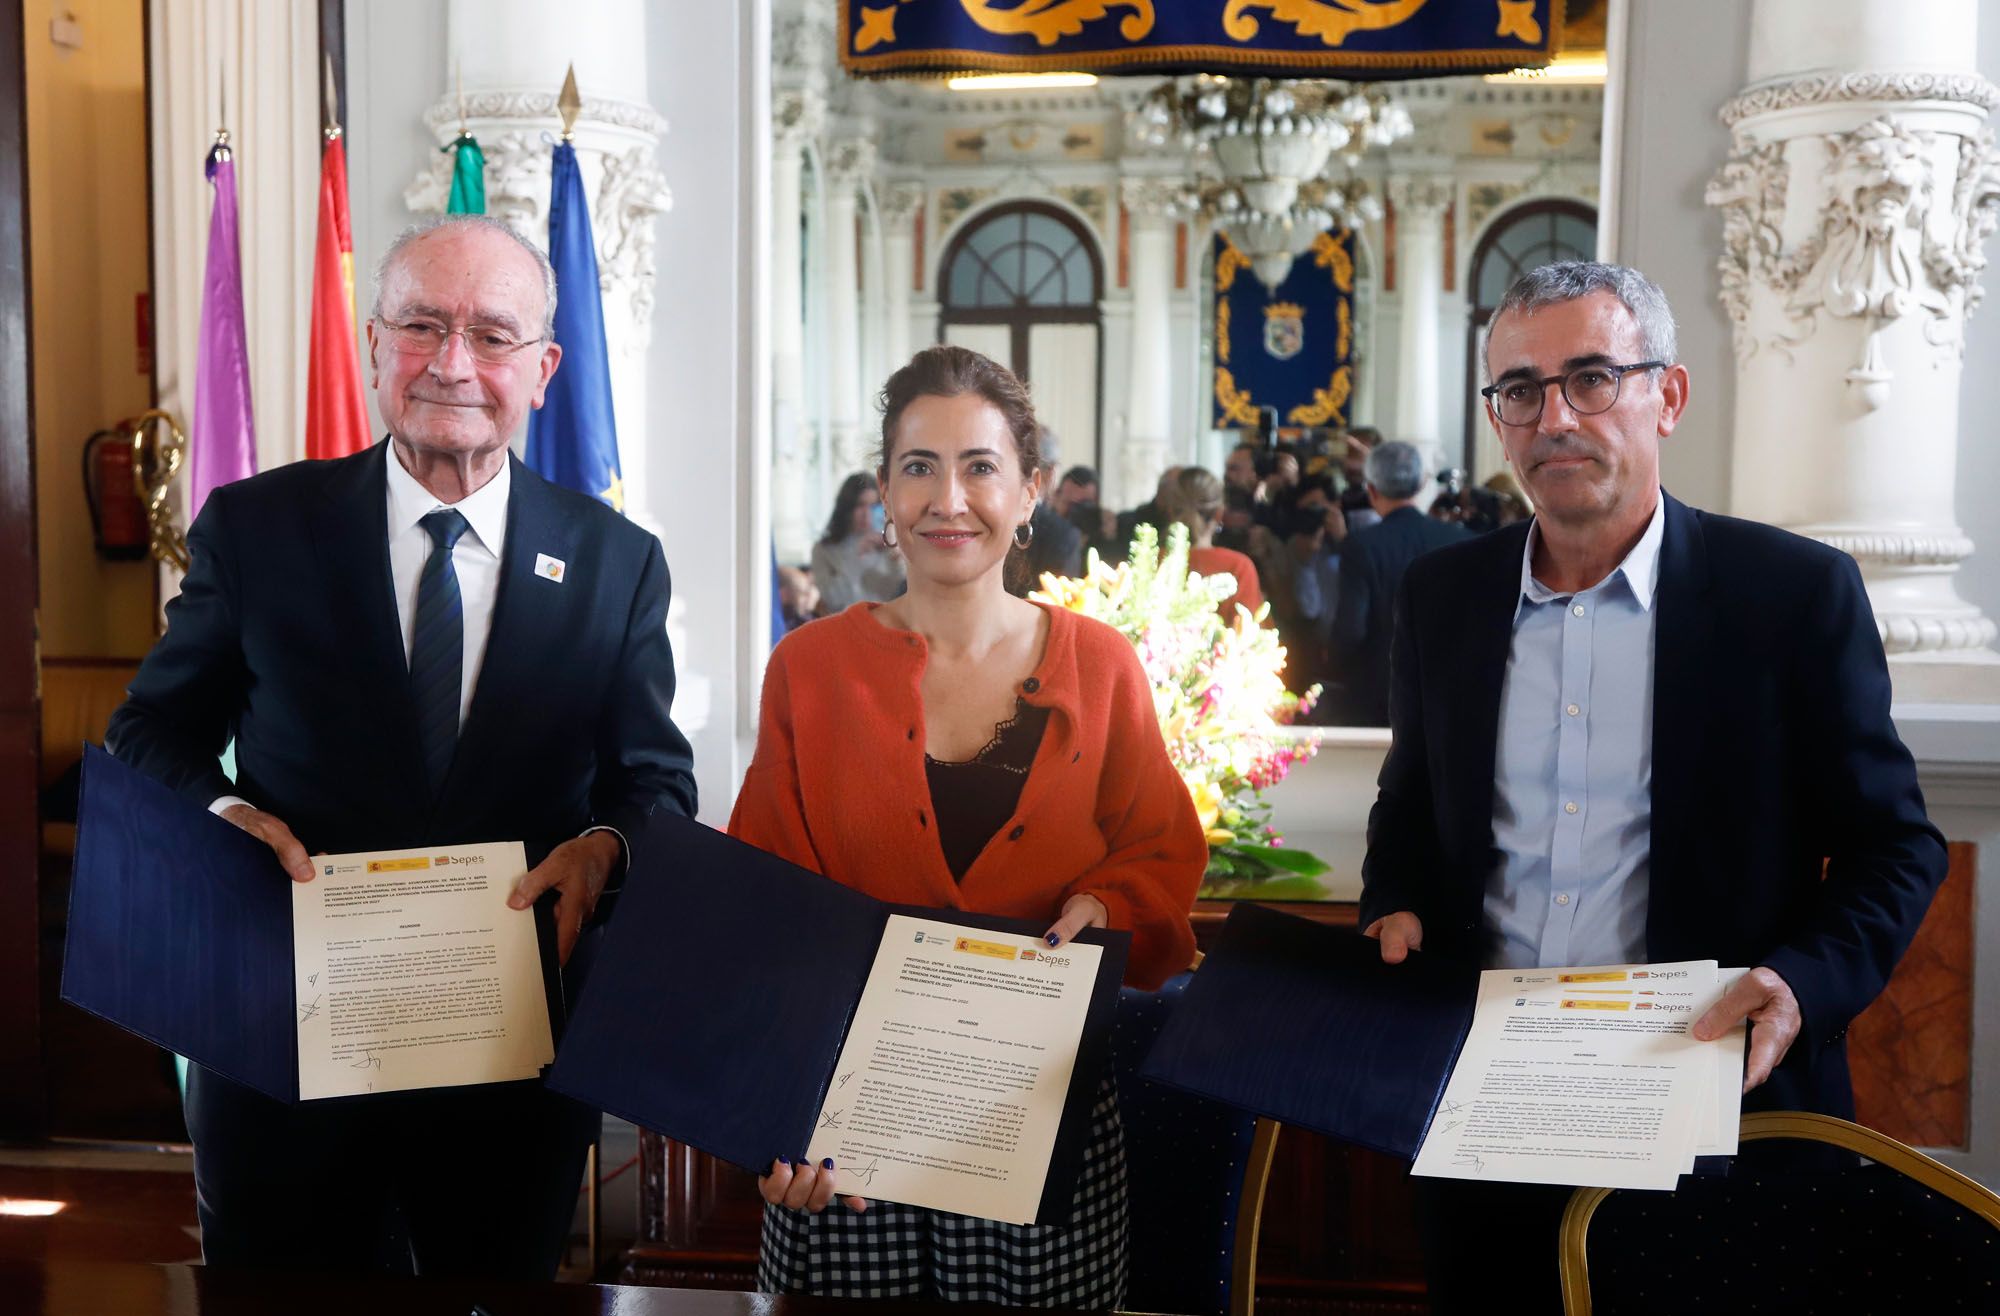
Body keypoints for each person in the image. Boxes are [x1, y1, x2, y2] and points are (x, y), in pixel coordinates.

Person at [105, 213, 699, 1278]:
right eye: (421, 324)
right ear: (374, 342)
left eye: (490, 334)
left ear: (544, 368)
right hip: (285, 1033)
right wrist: (228, 813)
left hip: (506, 1053)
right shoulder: (256, 528)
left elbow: (652, 782)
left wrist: (602, 848)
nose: (453, 363)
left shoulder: (617, 564)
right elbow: (148, 729)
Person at [1358, 261, 1947, 1310]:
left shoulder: (1790, 595)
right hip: (1490, 1112)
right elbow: (1411, 803)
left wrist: (1801, 979)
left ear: (1664, 396)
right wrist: (1389, 901)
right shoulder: (1441, 594)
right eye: (1519, 391)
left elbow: (1891, 845)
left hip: (1714, 1107)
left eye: (1590, 378)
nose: (1553, 419)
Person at [729, 344, 1206, 1304]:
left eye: (981, 467)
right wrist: (765, 1117)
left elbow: (1163, 850)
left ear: (1030, 492)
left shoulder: (1103, 664)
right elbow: (759, 904)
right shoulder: (809, 670)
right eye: (920, 467)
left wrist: (1105, 901)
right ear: (884, 494)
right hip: (844, 1148)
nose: (950, 498)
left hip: (1041, 1125)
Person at [1330, 441, 1467, 724]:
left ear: (1371, 489)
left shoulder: (1361, 546)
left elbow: (1350, 632)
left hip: (1378, 695)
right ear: (1421, 484)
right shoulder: (1459, 539)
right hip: (1449, 692)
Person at [1162, 467, 1265, 620]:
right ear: (1219, 513)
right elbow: (1254, 636)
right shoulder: (1239, 567)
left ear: (1169, 510)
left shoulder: (1152, 561)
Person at [811, 472, 906, 613]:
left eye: (873, 505)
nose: (866, 513)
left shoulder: (886, 542)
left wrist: (892, 551)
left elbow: (898, 591)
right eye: (860, 505)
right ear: (847, 508)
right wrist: (857, 556)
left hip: (885, 625)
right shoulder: (823, 550)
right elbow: (832, 599)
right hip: (843, 626)